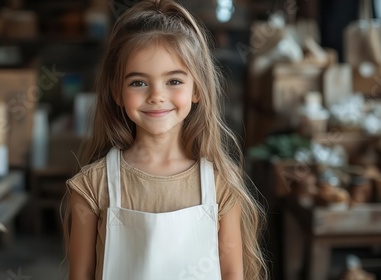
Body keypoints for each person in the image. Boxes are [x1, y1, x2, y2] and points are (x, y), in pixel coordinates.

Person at [64, 0, 267, 279]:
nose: (156, 95)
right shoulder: (91, 186)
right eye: (138, 82)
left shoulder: (221, 184)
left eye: (173, 81)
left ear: (197, 89)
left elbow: (232, 274)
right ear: (116, 91)